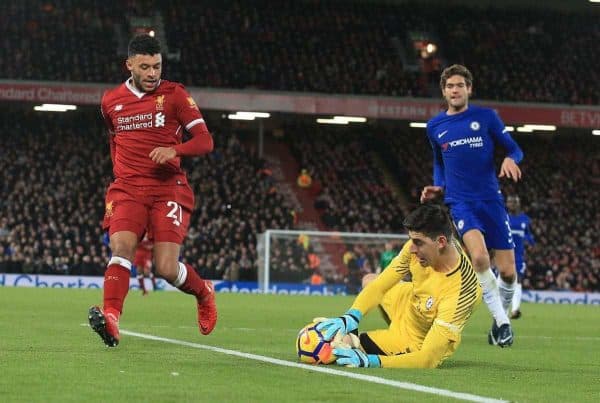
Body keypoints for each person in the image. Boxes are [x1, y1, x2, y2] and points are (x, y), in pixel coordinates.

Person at [88, 34, 217, 347]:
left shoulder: (175, 95)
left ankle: (203, 292)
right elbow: (114, 140)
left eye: (157, 66)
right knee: (121, 249)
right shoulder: (110, 101)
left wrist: (176, 150)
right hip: (127, 189)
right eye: (144, 67)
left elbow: (205, 140)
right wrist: (123, 173)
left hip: (167, 189)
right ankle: (112, 318)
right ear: (129, 64)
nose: (152, 73)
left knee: (165, 268)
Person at [421, 64, 523, 347]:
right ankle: (503, 324)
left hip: (491, 200)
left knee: (508, 272)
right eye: (450, 86)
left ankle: (498, 321)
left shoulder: (486, 117)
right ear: (444, 91)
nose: (455, 90)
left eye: (460, 85)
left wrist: (510, 158)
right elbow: (439, 162)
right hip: (460, 202)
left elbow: (514, 148)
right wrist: (438, 185)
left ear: (469, 89)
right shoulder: (435, 127)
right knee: (479, 258)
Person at [314, 203, 481, 368]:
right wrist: (351, 316)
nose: (412, 248)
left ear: (441, 242)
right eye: (411, 240)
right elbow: (380, 285)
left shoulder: (462, 294)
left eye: (418, 242)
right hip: (409, 304)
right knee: (370, 280)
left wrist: (372, 361)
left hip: (414, 340)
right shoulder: (421, 247)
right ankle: (381, 331)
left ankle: (385, 346)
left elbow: (428, 359)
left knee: (339, 345)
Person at [506, 195, 535, 319]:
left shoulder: (525, 220)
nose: (511, 204)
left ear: (518, 204)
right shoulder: (504, 218)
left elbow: (530, 237)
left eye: (514, 202)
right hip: (504, 254)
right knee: (503, 281)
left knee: (517, 279)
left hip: (518, 256)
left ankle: (515, 309)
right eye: (509, 202)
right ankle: (503, 310)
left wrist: (530, 244)